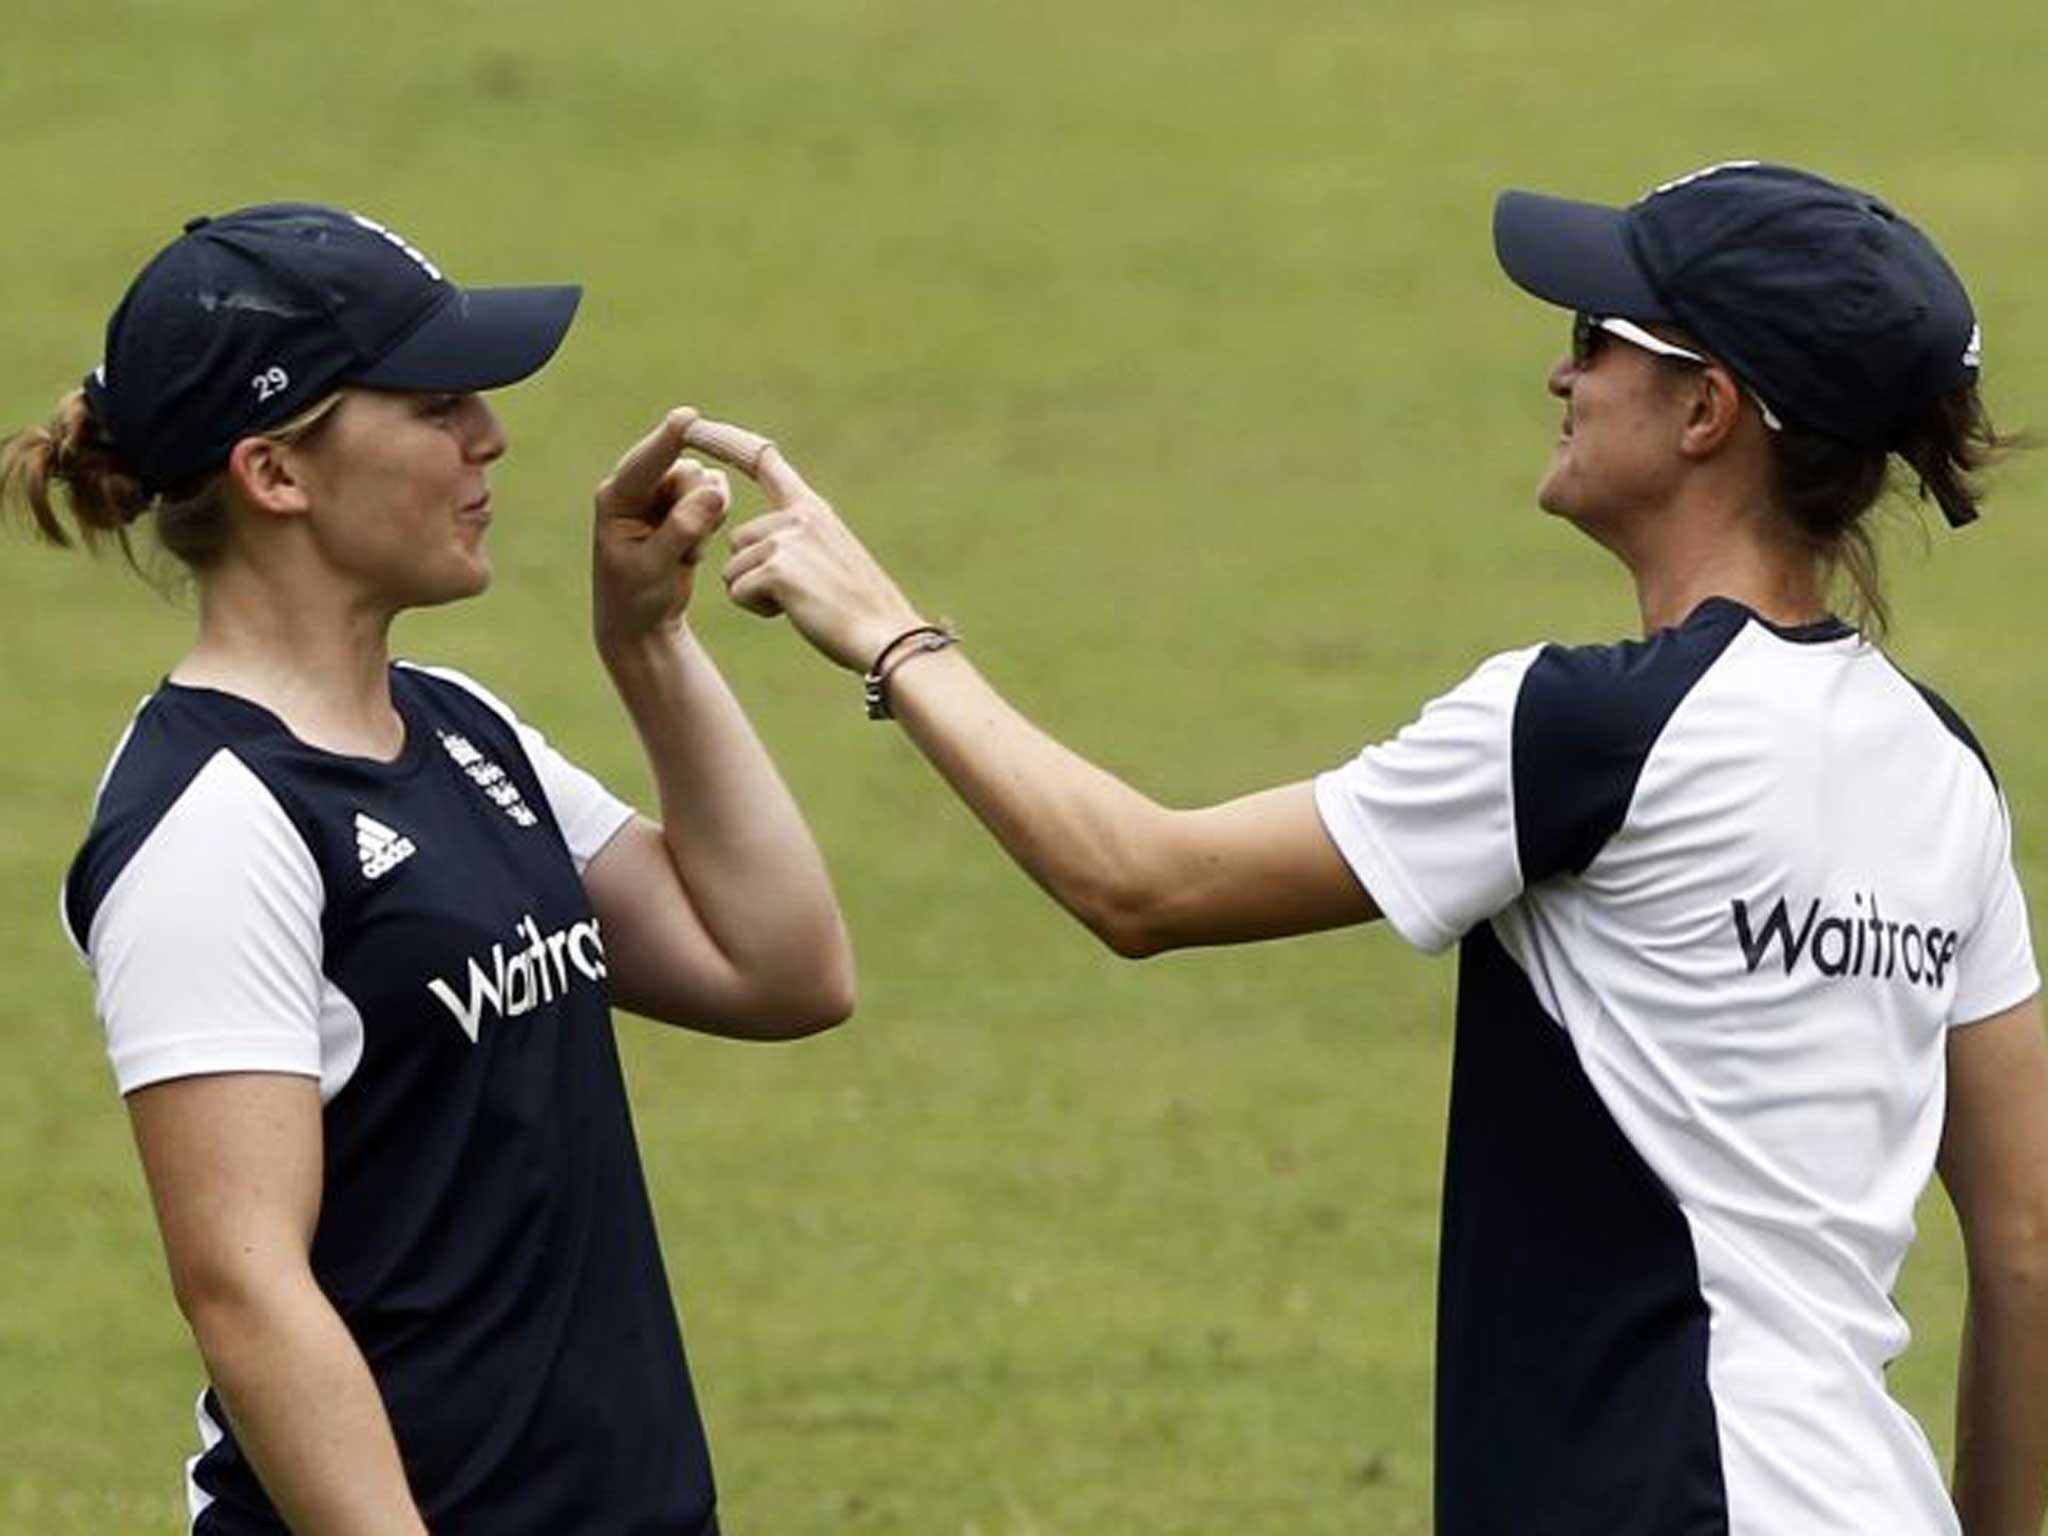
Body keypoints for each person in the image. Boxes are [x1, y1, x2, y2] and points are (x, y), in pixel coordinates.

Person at [698, 162, 2048, 1535]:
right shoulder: (1945, 770)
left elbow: (1140, 881)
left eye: (1596, 340)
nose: (1558, 376)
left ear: (1707, 411)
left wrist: (885, 632)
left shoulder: (1585, 730)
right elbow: (2024, 1243)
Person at [3, 204, 853, 1534]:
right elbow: (244, 1289)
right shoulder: (211, 827)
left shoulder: (458, 728)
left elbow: (782, 968)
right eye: (436, 404)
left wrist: (650, 650)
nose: (491, 438)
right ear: (277, 474)